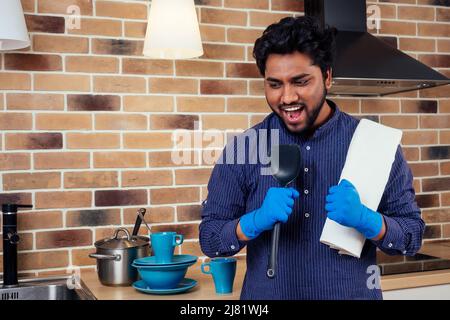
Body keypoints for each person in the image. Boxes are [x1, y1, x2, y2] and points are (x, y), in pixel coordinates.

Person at [199, 16, 425, 300]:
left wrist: (366, 219)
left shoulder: (377, 145)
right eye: (274, 84)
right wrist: (253, 221)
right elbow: (210, 239)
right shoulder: (244, 148)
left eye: (300, 81)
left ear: (327, 76)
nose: (287, 96)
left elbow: (411, 237)